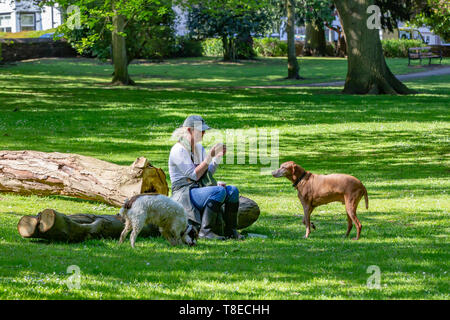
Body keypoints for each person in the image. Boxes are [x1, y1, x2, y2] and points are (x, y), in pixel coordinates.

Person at [169, 115, 243, 240]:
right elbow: (194, 175)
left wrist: (217, 157)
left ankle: (231, 231)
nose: (203, 133)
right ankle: (205, 232)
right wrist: (209, 156)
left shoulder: (198, 147)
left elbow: (206, 172)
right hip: (184, 193)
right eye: (200, 130)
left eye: (204, 130)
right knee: (218, 191)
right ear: (189, 130)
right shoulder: (178, 150)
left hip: (197, 188)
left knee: (233, 191)